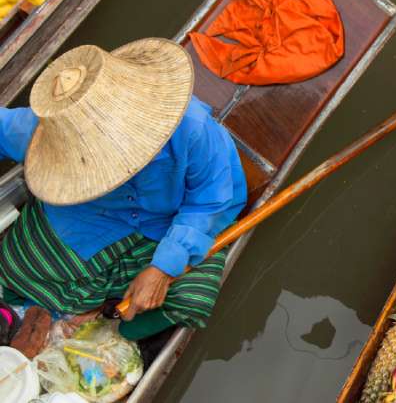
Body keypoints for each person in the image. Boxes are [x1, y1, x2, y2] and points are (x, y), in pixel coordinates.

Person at [0, 38, 247, 342]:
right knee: (18, 264)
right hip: (92, 217)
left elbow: (210, 203)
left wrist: (163, 269)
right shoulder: (47, 131)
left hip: (171, 223)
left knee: (191, 298)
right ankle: (71, 311)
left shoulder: (193, 130)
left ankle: (117, 331)